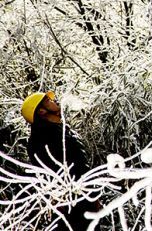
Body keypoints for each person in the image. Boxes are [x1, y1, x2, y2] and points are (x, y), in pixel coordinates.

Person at [21, 91, 99, 230]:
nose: (54, 102)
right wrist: (89, 195)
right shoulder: (43, 139)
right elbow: (69, 168)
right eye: (48, 101)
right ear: (41, 111)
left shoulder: (55, 131)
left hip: (79, 198)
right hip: (72, 203)